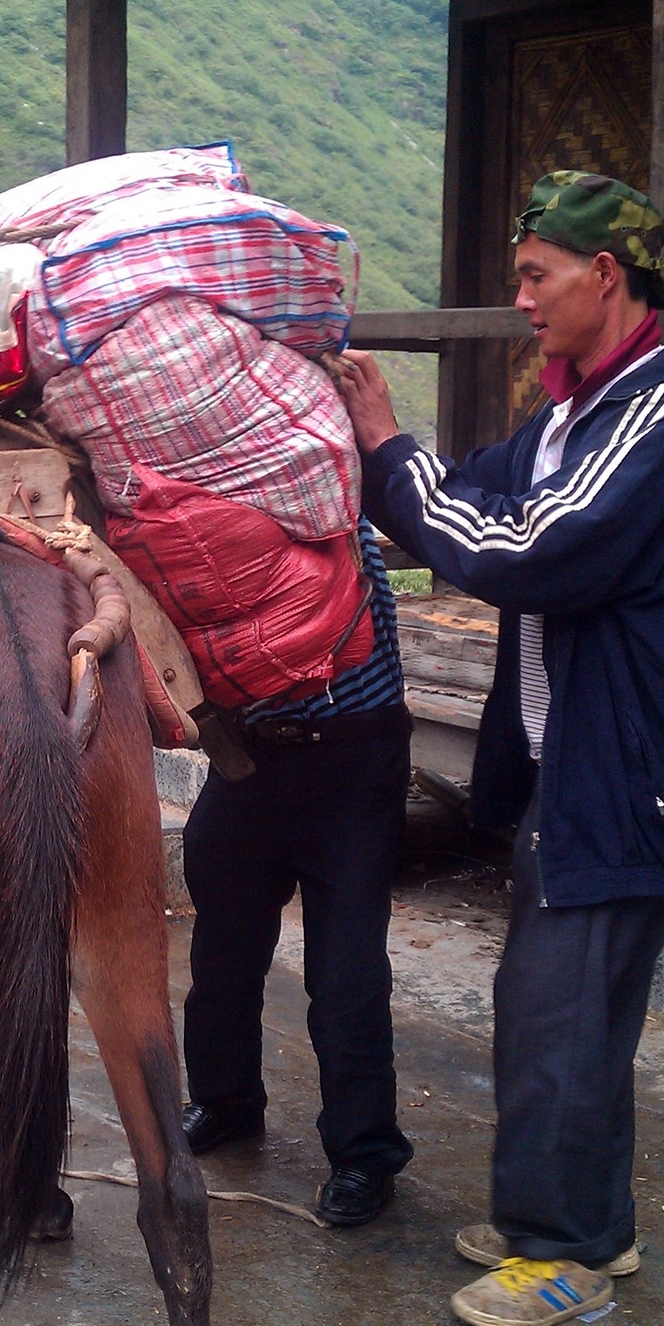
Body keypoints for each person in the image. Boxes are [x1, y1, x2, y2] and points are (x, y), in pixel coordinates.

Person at [334, 172, 664, 1326]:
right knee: (568, 1007)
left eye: (534, 275)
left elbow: (523, 548)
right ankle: (588, 1224)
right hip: (579, 765)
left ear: (601, 276)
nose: (518, 298)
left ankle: (558, 1252)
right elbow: (474, 492)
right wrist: (380, 467)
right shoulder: (580, 413)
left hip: (634, 773)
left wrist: (384, 448)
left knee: (557, 1014)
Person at [178, 520, 415, 1228]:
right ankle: (225, 1102)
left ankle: (364, 1155)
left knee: (346, 976)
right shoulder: (205, 525)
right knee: (221, 951)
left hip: (354, 759)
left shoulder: (330, 513)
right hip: (248, 762)